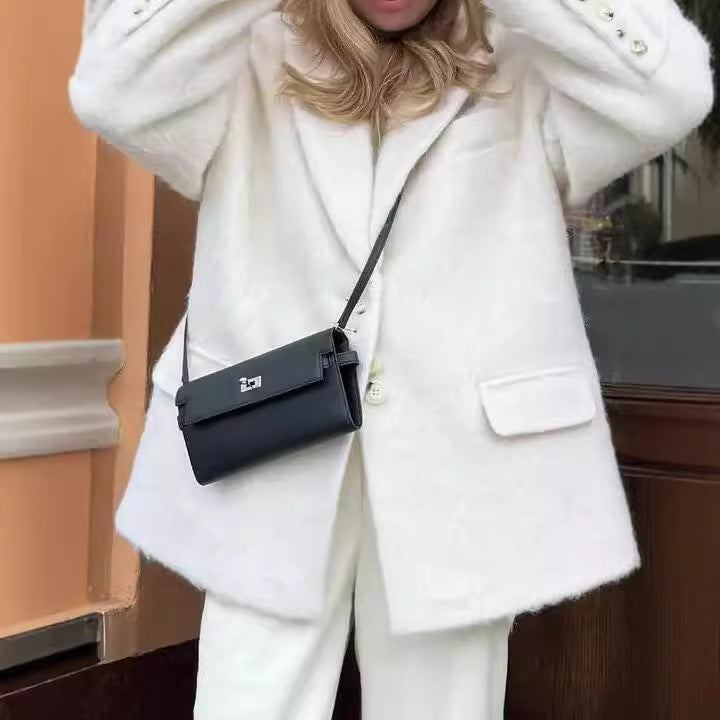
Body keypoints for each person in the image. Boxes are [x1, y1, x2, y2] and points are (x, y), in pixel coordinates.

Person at [69, 0, 713, 717]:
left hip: (464, 454)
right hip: (270, 439)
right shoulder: (246, 51)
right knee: (250, 697)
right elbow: (111, 90)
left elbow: (673, 91)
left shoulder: (526, 58)